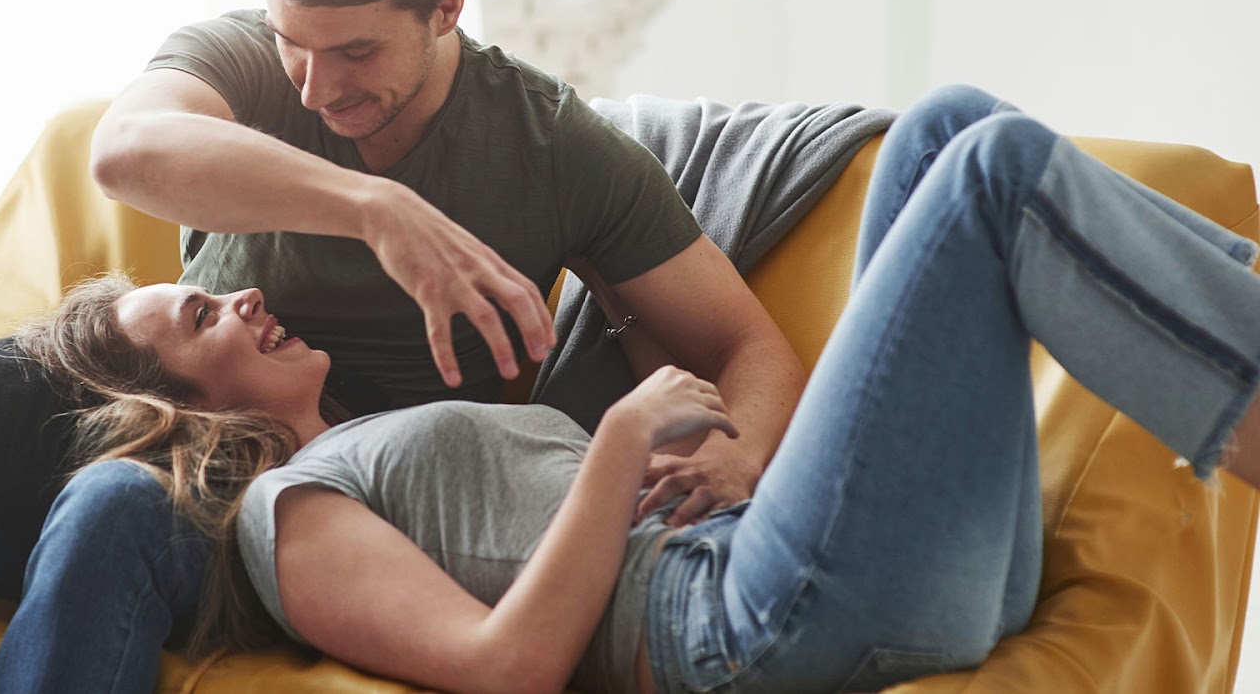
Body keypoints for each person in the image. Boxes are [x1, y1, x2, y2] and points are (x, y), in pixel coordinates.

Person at [70, 88, 1258, 693]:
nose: (233, 297)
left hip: (801, 562)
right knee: (989, 173)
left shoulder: (370, 433)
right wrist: (618, 442)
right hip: (743, 625)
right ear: (177, 405)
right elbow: (503, 667)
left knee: (946, 129)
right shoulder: (289, 520)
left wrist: (706, 433)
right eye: (195, 317)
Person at [88, 0, 806, 518]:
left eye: (356, 53)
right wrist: (377, 209)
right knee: (13, 419)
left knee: (115, 509)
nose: (314, 90)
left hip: (376, 507)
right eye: (292, 44)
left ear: (447, 7)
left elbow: (748, 347)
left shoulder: (550, 147)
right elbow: (122, 152)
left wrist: (732, 464)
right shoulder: (242, 60)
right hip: (173, 447)